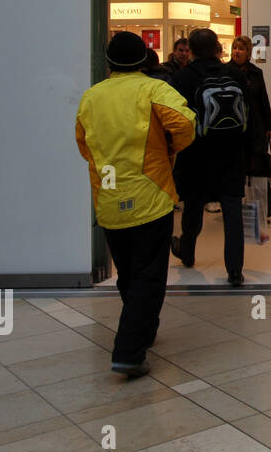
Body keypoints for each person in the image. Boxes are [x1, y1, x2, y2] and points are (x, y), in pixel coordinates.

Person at [75, 31, 195, 378]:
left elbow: (83, 143)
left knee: (127, 273)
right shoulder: (153, 90)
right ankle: (129, 350)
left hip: (110, 197)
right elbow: (185, 124)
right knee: (148, 275)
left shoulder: (91, 97)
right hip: (150, 194)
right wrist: (169, 149)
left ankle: (141, 329)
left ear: (109, 62)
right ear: (144, 60)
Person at [170, 28, 252, 285]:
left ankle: (188, 251)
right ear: (218, 48)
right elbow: (248, 113)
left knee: (194, 206)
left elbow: (178, 118)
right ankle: (235, 270)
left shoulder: (184, 77)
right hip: (232, 153)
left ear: (191, 50)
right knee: (232, 211)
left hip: (197, 154)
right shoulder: (235, 74)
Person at [229, 35, 271, 241]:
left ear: (248, 52)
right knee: (237, 166)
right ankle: (234, 206)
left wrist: (269, 125)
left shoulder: (256, 73)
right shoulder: (226, 71)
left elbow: (263, 100)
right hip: (235, 126)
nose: (237, 52)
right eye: (234, 48)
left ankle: (263, 207)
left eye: (241, 49)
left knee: (258, 166)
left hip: (255, 126)